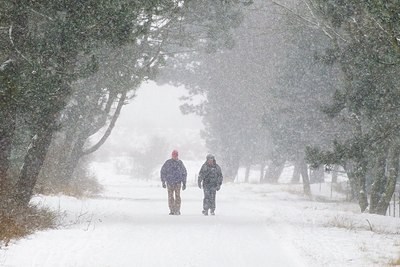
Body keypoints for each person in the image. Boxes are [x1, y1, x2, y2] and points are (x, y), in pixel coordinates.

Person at [160, 150, 187, 215]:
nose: (175, 157)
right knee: (170, 197)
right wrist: (163, 181)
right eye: (174, 155)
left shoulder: (180, 163)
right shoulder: (168, 163)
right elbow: (163, 172)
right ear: (172, 155)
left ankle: (177, 210)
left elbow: (184, 173)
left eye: (176, 155)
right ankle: (172, 210)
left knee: (177, 197)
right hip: (169, 183)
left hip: (178, 183)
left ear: (177, 156)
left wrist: (184, 183)